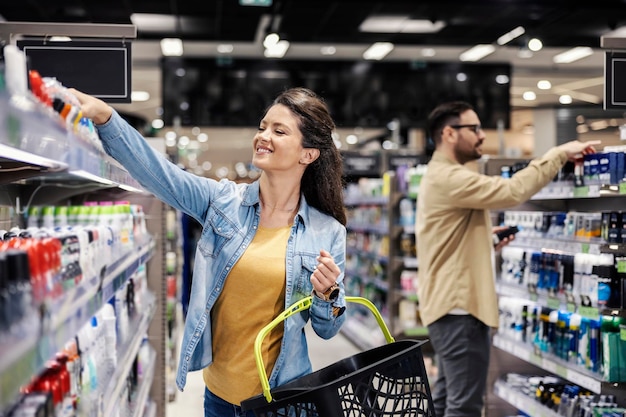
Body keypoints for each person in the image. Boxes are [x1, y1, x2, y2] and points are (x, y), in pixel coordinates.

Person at [72, 87, 348, 417]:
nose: (263, 136)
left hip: (283, 401)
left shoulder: (327, 231)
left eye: (279, 130)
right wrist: (106, 118)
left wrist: (327, 293)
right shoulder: (222, 203)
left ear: (308, 154)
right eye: (262, 127)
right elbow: (161, 174)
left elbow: (327, 330)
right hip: (219, 399)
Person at [416, 101, 600, 417]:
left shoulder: (440, 176)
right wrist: (558, 154)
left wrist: (485, 241)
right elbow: (513, 190)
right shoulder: (449, 177)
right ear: (448, 133)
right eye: (473, 128)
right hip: (460, 311)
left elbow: (446, 242)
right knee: (465, 407)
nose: (481, 136)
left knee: (447, 400)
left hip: (447, 306)